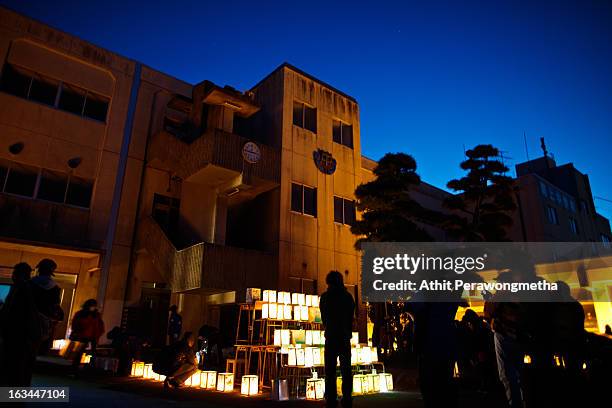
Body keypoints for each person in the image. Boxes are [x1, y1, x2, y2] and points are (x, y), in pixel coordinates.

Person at [0, 263, 40, 386]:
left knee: (14, 364)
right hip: (20, 334)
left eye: (15, 273)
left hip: (16, 333)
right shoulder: (25, 288)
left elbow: (12, 311)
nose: (13, 275)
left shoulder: (21, 288)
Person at [319, 271, 355, 408]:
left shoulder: (325, 297)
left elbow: (324, 317)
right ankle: (347, 397)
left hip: (331, 336)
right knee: (346, 369)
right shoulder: (347, 297)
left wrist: (329, 327)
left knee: (330, 370)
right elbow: (351, 317)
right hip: (344, 336)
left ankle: (331, 398)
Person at [30, 258, 64, 354]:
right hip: (45, 324)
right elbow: (56, 306)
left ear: (39, 269)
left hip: (27, 321)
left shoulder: (30, 284)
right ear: (51, 272)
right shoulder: (55, 287)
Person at [69, 299, 105, 369]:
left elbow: (100, 325)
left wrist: (98, 333)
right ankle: (75, 366)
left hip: (93, 336)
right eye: (92, 306)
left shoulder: (96, 315)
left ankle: (91, 366)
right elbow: (75, 324)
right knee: (80, 352)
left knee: (93, 352)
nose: (94, 307)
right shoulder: (81, 314)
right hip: (83, 335)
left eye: (94, 306)